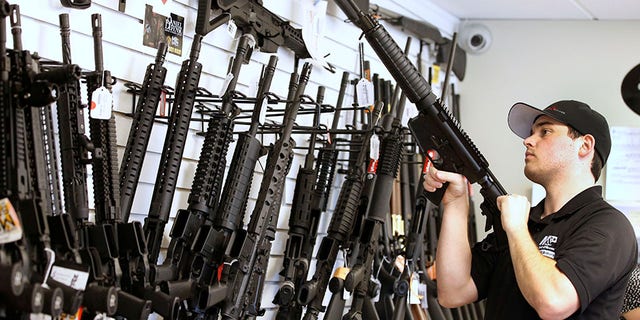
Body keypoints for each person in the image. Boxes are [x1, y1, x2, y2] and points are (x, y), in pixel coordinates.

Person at [423, 100, 638, 319]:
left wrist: (516, 229)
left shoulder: (609, 226)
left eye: (545, 131)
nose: (527, 140)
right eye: (531, 133)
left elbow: (553, 303)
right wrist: (456, 202)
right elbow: (453, 292)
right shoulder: (526, 221)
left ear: (584, 146)